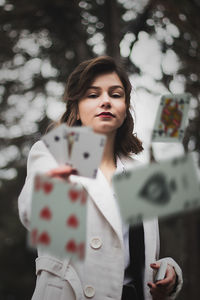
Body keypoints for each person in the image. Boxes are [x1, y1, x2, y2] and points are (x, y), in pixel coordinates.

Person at [18, 56, 183, 300]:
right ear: (76, 107)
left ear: (125, 109)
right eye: (93, 95)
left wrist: (168, 273)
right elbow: (37, 214)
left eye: (115, 94)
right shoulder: (53, 152)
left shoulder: (137, 172)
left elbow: (136, 253)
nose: (105, 101)